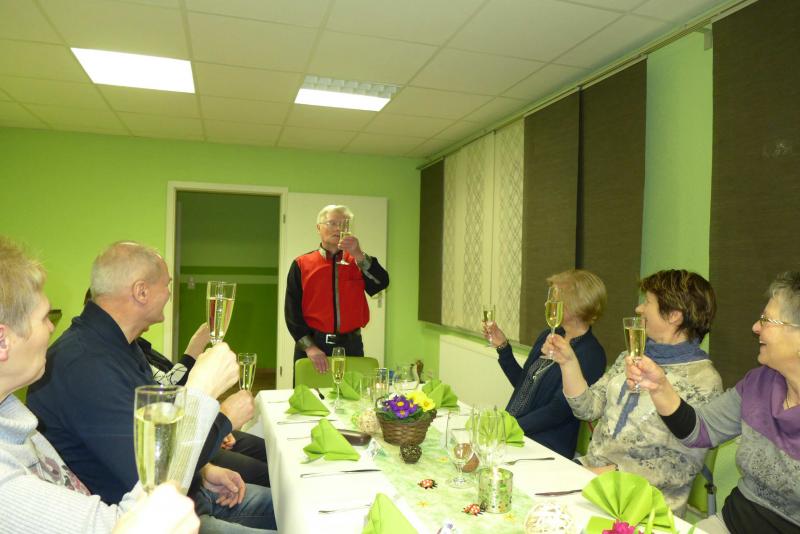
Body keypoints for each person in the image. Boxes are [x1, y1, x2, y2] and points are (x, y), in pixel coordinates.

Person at [0, 236, 274, 533]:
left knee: (297, 506)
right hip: (153, 514)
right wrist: (202, 396)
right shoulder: (80, 363)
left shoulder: (17, 422)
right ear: (3, 341)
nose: (53, 327)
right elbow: (148, 493)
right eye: (45, 317)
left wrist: (204, 468)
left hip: (180, 500)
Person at [627, 272, 800, 533]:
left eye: (766, 320)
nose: (756, 327)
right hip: (729, 524)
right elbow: (699, 429)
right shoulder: (759, 383)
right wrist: (659, 386)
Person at [544, 269, 723, 515]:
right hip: (592, 477)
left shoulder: (703, 380)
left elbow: (681, 468)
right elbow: (588, 408)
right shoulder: (630, 356)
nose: (639, 309)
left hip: (642, 502)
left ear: (674, 316)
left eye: (648, 302)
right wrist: (568, 362)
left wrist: (606, 474)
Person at [82, 288, 269, 489]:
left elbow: (167, 387)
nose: (167, 293)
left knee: (267, 450)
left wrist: (215, 421)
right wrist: (220, 420)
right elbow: (168, 393)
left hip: (191, 435)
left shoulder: (136, 346)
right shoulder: (105, 362)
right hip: (183, 447)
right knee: (264, 473)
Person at [484, 269, 607, 458]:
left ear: (575, 305)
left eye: (554, 298)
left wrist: (510, 427)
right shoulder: (549, 336)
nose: (547, 304)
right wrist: (503, 347)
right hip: (515, 434)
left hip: (544, 447)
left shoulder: (592, 353)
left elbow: (559, 410)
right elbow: (523, 384)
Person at [285, 204, 389, 374]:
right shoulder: (301, 264)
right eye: (332, 223)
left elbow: (381, 283)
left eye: (343, 224)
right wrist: (309, 347)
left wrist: (358, 254)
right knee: (310, 391)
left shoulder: (357, 261)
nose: (338, 228)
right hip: (314, 347)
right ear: (318, 227)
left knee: (352, 391)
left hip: (352, 346)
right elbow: (292, 312)